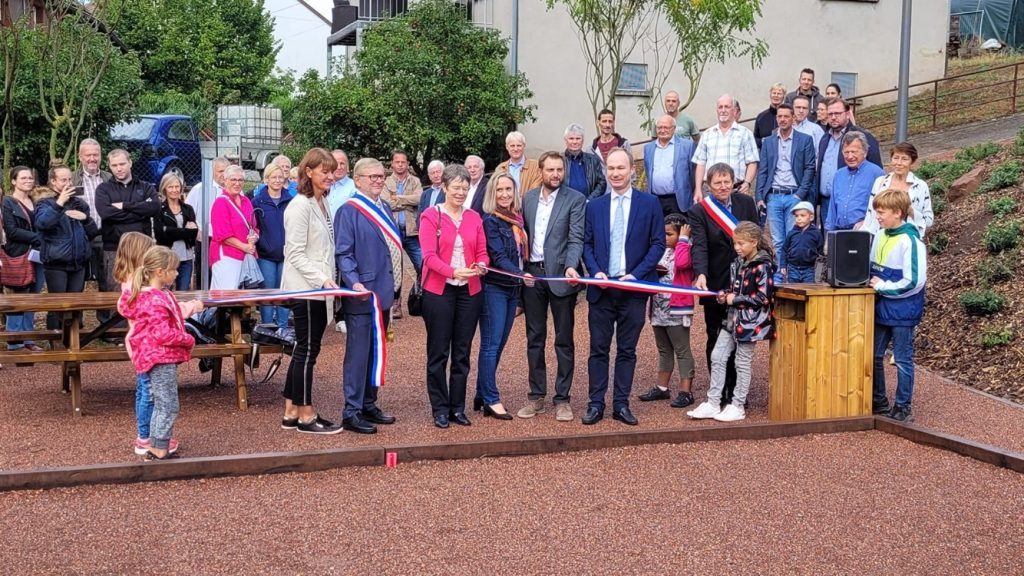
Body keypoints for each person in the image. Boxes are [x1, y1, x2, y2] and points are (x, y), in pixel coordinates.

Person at [581, 148, 665, 426]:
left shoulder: (649, 203)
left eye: (621, 168)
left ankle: (621, 404)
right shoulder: (594, 206)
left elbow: (657, 244)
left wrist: (637, 275)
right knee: (598, 349)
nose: (615, 173)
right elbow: (587, 245)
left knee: (627, 350)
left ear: (632, 171)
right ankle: (596, 404)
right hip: (602, 289)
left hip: (633, 290)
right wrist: (596, 272)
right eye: (611, 168)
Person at [517, 152, 586, 422]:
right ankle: (536, 396)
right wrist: (521, 268)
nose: (555, 174)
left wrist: (571, 265)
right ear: (541, 171)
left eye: (559, 170)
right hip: (533, 277)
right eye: (550, 170)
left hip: (560, 277)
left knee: (564, 340)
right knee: (535, 339)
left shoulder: (575, 199)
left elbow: (576, 237)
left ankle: (563, 398)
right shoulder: (528, 198)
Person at [419, 164, 489, 429]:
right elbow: (428, 257)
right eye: (456, 187)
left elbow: (483, 252)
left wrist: (481, 265)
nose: (460, 192)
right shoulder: (430, 215)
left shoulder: (473, 217)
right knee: (438, 352)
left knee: (462, 352)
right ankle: (439, 407)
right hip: (439, 291)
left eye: (464, 187)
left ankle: (457, 407)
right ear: (445, 187)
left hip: (469, 291)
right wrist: (452, 271)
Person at [334, 157, 400, 434]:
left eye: (381, 176)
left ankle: (369, 403)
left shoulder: (383, 206)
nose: (377, 180)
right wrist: (353, 281)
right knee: (359, 353)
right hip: (363, 293)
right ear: (357, 179)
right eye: (371, 176)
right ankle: (351, 410)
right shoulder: (348, 211)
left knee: (377, 350)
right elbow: (343, 253)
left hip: (384, 291)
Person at [279, 148, 342, 435]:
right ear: (309, 172)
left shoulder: (321, 203)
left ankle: (291, 411)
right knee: (307, 350)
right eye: (324, 171)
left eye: (332, 171)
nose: (330, 176)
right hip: (305, 288)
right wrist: (321, 279)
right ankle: (306, 415)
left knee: (305, 349)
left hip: (317, 288)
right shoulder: (300, 206)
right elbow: (294, 253)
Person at [688, 221, 776, 422]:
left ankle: (738, 405)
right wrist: (725, 295)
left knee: (742, 363)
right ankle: (713, 402)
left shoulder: (763, 266)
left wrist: (734, 299)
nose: (736, 248)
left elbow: (764, 298)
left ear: (754, 243)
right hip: (731, 319)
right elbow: (735, 289)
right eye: (735, 243)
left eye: (741, 244)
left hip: (750, 324)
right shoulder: (737, 262)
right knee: (718, 356)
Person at [689, 163, 759, 406]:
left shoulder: (746, 204)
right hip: (716, 282)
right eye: (717, 183)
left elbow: (757, 240)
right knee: (715, 335)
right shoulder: (699, 211)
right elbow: (699, 245)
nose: (722, 187)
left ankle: (738, 391)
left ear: (733, 182)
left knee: (742, 336)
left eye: (726, 181)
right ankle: (721, 390)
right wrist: (700, 274)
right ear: (708, 185)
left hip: (745, 284)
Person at [119, 246, 199, 460]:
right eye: (174, 269)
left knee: (161, 401)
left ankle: (156, 445)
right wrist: (188, 339)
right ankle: (158, 448)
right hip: (159, 356)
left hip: (156, 355)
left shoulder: (157, 295)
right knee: (168, 404)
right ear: (160, 272)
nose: (177, 273)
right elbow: (162, 334)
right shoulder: (155, 300)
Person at [869, 188, 927, 423]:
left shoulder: (911, 241)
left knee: (902, 359)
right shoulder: (881, 235)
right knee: (873, 355)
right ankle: (879, 400)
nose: (878, 217)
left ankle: (903, 406)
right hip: (881, 306)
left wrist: (882, 287)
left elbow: (914, 281)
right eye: (877, 212)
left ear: (898, 213)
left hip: (903, 309)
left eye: (882, 213)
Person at [474, 173, 528, 420]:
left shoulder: (516, 219)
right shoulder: (491, 221)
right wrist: (521, 273)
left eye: (508, 189)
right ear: (492, 194)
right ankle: (491, 399)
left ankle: (481, 393)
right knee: (490, 345)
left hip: (511, 288)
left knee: (499, 345)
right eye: (500, 190)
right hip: (494, 288)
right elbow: (498, 255)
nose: (505, 194)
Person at [637, 213, 695, 408]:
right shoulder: (660, 250)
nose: (665, 238)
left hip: (677, 308)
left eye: (669, 234)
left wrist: (684, 240)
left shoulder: (686, 248)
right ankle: (662, 388)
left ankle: (686, 391)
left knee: (682, 349)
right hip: (658, 307)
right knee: (663, 349)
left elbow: (682, 264)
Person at [35, 165, 99, 330]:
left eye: (70, 179)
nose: (68, 183)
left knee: (75, 303)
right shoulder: (45, 203)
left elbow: (92, 233)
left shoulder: (79, 203)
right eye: (64, 180)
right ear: (53, 181)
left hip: (78, 262)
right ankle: (56, 338)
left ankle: (73, 340)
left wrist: (85, 219)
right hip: (56, 262)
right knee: (57, 304)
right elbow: (43, 224)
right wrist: (60, 203)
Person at [754, 103, 817, 263]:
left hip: (794, 195)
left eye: (786, 116)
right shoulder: (768, 141)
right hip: (774, 196)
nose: (782, 119)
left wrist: (800, 194)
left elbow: (810, 168)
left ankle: (792, 272)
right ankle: (780, 273)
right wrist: (760, 196)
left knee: (793, 237)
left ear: (793, 118)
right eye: (780, 116)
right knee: (777, 240)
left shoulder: (804, 140)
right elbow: (763, 170)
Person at [95, 149, 161, 299]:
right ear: (109, 167)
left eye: (122, 164)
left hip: (142, 249)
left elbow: (154, 207)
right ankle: (115, 324)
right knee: (116, 293)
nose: (119, 168)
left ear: (130, 163)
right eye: (114, 165)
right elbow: (106, 213)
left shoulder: (146, 187)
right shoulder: (103, 189)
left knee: (144, 291)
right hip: (114, 248)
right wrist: (139, 211)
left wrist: (125, 205)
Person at [818, 97, 881, 225]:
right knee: (830, 240)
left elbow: (876, 173)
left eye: (837, 113)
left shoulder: (862, 136)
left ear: (847, 114)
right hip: (828, 203)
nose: (833, 117)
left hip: (857, 206)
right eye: (830, 114)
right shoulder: (825, 138)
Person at [3, 166, 45, 352]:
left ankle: (29, 337)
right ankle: (14, 339)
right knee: (18, 297)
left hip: (37, 255)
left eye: (30, 177)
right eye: (23, 178)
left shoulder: (36, 200)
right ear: (13, 181)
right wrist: (37, 237)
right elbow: (11, 231)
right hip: (18, 254)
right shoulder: (7, 203)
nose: (28, 180)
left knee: (33, 298)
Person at [692, 94, 759, 204]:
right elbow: (700, 164)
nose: (723, 110)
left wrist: (747, 183)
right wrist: (698, 189)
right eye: (720, 107)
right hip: (710, 192)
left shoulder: (745, 134)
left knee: (737, 222)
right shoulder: (707, 134)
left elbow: (752, 162)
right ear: (717, 110)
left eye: (727, 107)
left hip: (736, 191)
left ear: (734, 111)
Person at [382, 150, 424, 320]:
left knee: (423, 264)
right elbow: (385, 202)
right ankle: (395, 304)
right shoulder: (385, 182)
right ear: (392, 164)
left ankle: (421, 298)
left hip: (412, 231)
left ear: (407, 164)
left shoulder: (415, 181)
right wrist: (406, 201)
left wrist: (398, 199)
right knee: (394, 270)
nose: (400, 165)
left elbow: (419, 199)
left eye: (403, 162)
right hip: (393, 233)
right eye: (397, 162)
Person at [251, 162, 293, 329]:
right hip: (266, 255)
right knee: (267, 291)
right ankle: (267, 326)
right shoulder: (257, 201)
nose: (277, 180)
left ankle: (282, 327)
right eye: (273, 177)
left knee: (283, 291)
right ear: (266, 179)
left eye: (280, 177)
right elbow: (253, 226)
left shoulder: (291, 200)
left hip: (286, 254)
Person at [862, 142, 934, 237]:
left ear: (912, 161)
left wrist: (910, 211)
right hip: (881, 238)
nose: (899, 163)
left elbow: (928, 221)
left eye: (904, 159)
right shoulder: (880, 182)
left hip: (908, 240)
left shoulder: (920, 186)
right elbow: (870, 214)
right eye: (896, 158)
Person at [209, 165, 259, 290]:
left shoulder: (246, 201)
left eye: (240, 180)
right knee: (227, 295)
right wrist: (245, 247)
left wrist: (254, 237)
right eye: (233, 180)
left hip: (245, 255)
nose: (237, 183)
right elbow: (222, 235)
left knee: (241, 298)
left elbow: (254, 225)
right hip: (227, 256)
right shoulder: (221, 203)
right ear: (225, 181)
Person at [825, 132, 885, 232]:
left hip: (865, 231)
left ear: (865, 152)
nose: (850, 156)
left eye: (854, 152)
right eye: (846, 152)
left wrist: (866, 222)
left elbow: (883, 206)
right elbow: (832, 208)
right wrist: (829, 234)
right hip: (839, 232)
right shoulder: (839, 175)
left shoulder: (877, 173)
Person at [71, 138, 110, 289]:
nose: (92, 159)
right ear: (80, 157)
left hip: (105, 235)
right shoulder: (72, 179)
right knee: (77, 283)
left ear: (101, 156)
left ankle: (105, 313)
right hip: (80, 236)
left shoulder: (109, 178)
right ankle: (75, 313)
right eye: (88, 155)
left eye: (96, 155)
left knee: (106, 280)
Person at [643, 114, 696, 216]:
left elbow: (693, 173)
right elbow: (647, 171)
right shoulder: (648, 148)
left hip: (678, 199)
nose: (662, 130)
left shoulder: (687, 146)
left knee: (679, 229)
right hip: (655, 199)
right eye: (659, 127)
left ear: (674, 129)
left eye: (666, 127)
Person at [153, 174, 199, 291]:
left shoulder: (188, 209)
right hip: (167, 257)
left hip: (186, 257)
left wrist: (169, 230)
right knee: (164, 291)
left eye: (177, 186)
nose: (174, 190)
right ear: (164, 189)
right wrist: (185, 231)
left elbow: (193, 233)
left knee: (183, 292)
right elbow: (160, 235)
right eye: (170, 187)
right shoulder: (160, 209)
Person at [780, 201, 822, 283]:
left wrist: (819, 272)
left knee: (808, 291)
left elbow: (820, 254)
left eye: (802, 215)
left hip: (809, 270)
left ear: (811, 217)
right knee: (794, 292)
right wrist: (783, 265)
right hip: (793, 269)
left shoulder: (816, 234)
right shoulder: (792, 233)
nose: (799, 218)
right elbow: (784, 250)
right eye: (796, 216)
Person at [563, 123, 608, 200]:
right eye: (571, 138)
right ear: (565, 141)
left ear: (582, 141)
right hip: (566, 206)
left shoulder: (593, 160)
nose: (575, 142)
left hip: (589, 204)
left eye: (578, 138)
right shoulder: (559, 160)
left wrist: (590, 200)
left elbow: (602, 183)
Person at [753, 83, 786, 150]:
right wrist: (763, 141)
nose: (776, 96)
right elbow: (755, 138)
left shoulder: (788, 116)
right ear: (770, 95)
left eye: (779, 93)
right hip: (765, 153)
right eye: (774, 93)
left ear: (783, 96)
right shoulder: (761, 117)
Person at [326, 149, 356, 218]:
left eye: (342, 163)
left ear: (347, 167)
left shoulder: (354, 187)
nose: (339, 167)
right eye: (335, 164)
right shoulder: (324, 185)